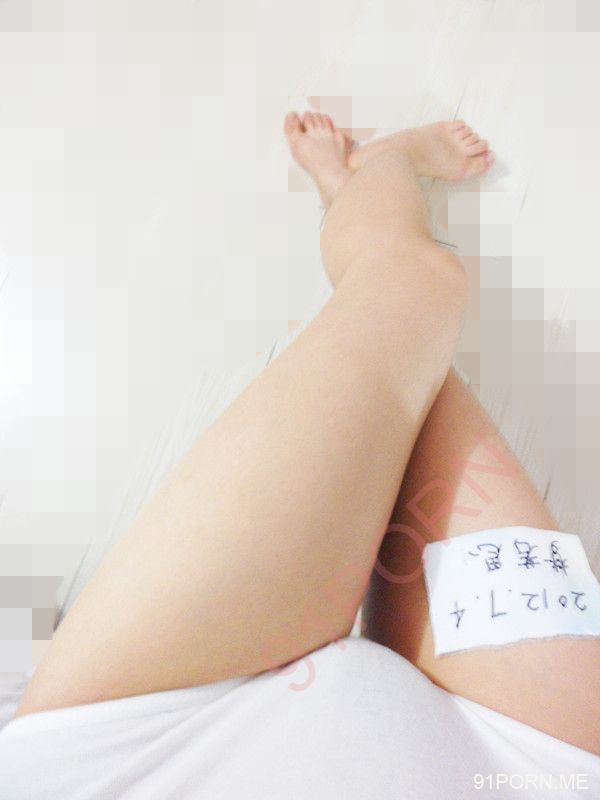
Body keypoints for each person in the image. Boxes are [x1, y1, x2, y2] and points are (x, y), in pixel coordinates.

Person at [1, 111, 599, 799]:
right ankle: (358, 198)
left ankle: (373, 180)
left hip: (130, 739)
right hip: (534, 764)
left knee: (412, 294)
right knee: (413, 341)